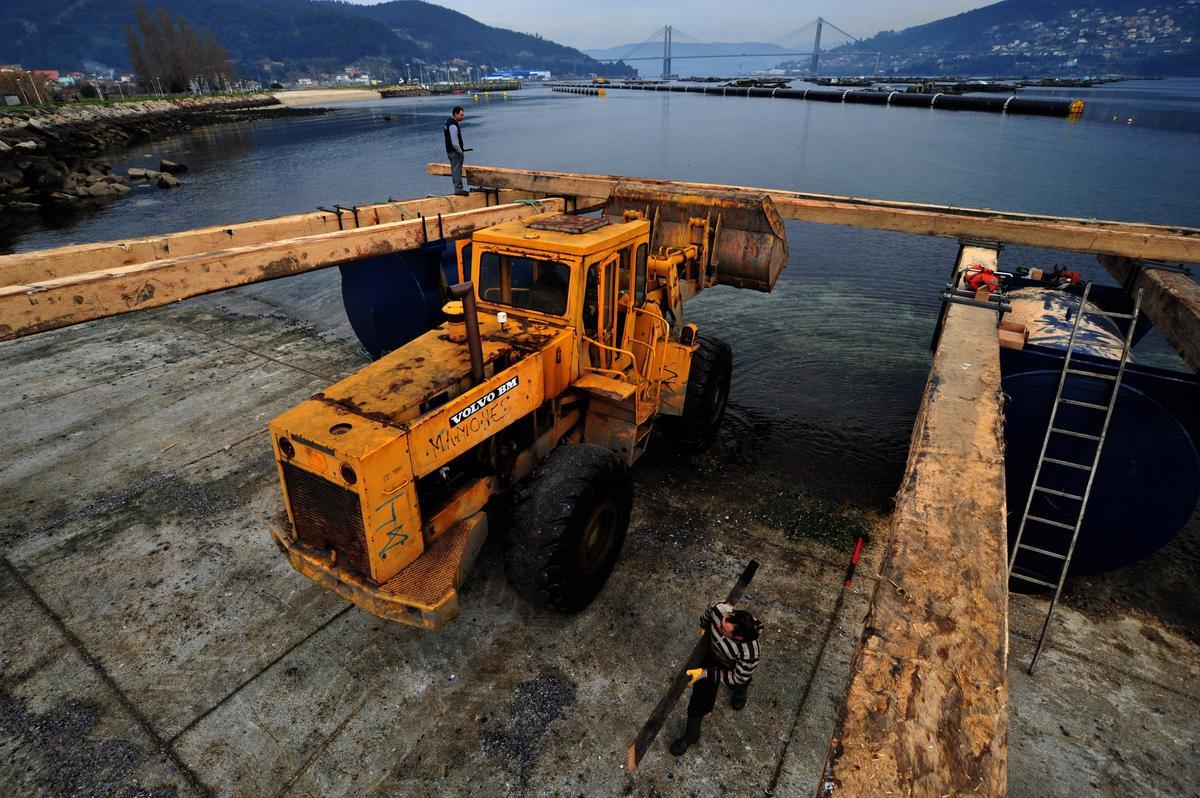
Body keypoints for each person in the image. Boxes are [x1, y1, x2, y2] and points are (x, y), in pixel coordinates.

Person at [670, 600, 762, 756]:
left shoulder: (750, 654)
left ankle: (740, 692)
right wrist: (704, 626)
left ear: (738, 638)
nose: (719, 626)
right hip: (711, 655)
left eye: (723, 629)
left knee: (739, 682)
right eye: (723, 620)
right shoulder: (720, 610)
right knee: (700, 700)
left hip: (731, 666)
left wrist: (706, 673)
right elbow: (709, 612)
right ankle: (692, 735)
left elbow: (737, 677)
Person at [443, 106, 469, 196]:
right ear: (455, 114)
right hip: (455, 152)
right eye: (461, 115)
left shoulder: (448, 122)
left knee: (455, 170)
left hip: (450, 151)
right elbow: (454, 142)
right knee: (457, 170)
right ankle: (458, 189)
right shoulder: (453, 125)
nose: (462, 117)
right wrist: (460, 151)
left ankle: (457, 188)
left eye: (463, 115)